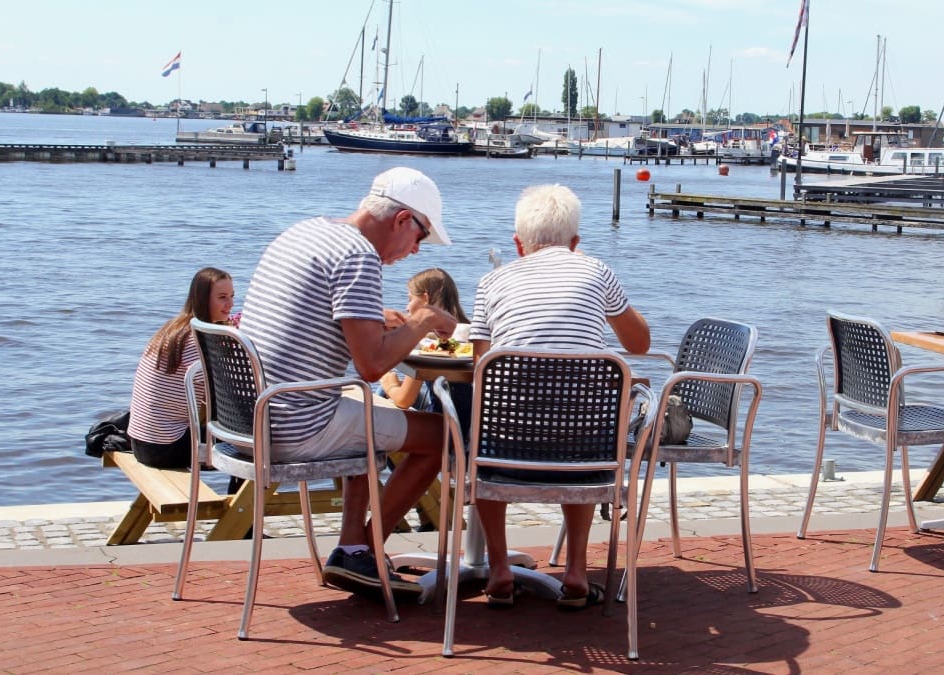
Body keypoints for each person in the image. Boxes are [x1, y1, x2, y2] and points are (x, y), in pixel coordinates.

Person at [237, 167, 457, 597]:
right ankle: (369, 549)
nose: (417, 250)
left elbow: (317, 317)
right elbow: (372, 367)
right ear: (400, 220)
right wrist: (422, 319)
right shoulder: (359, 257)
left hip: (252, 416)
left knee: (367, 415)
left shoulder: (304, 232)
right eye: (421, 236)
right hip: (296, 424)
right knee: (445, 434)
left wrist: (382, 320)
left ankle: (354, 549)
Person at [468, 184, 651, 610]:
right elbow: (639, 343)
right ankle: (575, 569)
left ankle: (497, 566)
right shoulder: (596, 272)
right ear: (575, 243)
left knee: (478, 419)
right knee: (582, 415)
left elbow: (483, 368)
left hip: (503, 453)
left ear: (518, 244)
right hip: (587, 454)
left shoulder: (491, 280)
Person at [127, 267, 235, 469]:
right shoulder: (196, 339)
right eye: (222, 297)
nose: (230, 304)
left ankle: (240, 499)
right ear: (203, 299)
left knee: (240, 437)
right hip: (166, 446)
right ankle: (243, 501)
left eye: (231, 296)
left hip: (142, 440)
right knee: (252, 443)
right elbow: (225, 397)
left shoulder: (175, 327)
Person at [379, 268, 470, 414]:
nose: (407, 307)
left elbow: (404, 400)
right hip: (469, 422)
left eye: (410, 299)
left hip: (445, 425)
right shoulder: (465, 334)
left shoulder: (433, 346)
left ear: (426, 299)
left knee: (381, 394)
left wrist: (389, 385)